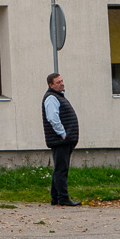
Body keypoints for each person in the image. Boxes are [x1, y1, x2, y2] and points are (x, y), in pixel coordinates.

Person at [42, 72, 81, 206]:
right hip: (60, 139)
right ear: (51, 85)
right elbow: (53, 118)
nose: (61, 83)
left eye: (62, 81)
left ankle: (56, 197)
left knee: (59, 168)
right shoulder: (52, 98)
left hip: (63, 139)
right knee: (61, 169)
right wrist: (62, 133)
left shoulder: (58, 96)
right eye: (58, 82)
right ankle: (63, 198)